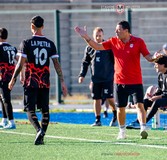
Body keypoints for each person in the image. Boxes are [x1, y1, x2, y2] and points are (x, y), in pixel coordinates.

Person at [74, 20, 157, 139]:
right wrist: (86, 37)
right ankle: (122, 131)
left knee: (140, 106)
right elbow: (97, 46)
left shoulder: (138, 41)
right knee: (120, 109)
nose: (115, 31)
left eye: (118, 30)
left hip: (136, 81)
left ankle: (143, 128)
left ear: (126, 31)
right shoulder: (113, 41)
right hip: (119, 82)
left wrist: (154, 58)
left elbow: (148, 56)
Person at [8, 15, 68, 145]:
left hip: (31, 80)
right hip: (44, 81)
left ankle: (39, 130)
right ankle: (42, 135)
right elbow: (56, 64)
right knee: (45, 110)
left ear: (32, 26)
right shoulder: (50, 43)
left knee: (30, 110)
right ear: (43, 26)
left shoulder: (26, 42)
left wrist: (13, 79)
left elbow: (20, 64)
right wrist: (62, 81)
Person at [127, 54, 167, 129]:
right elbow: (160, 89)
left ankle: (144, 122)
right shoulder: (160, 74)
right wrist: (154, 96)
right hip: (164, 97)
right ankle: (138, 122)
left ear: (163, 65)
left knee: (157, 102)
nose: (155, 66)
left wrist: (158, 97)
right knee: (145, 101)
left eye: (156, 64)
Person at [78, 27, 117, 127]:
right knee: (96, 99)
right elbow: (85, 62)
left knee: (109, 98)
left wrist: (115, 74)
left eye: (100, 36)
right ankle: (97, 119)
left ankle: (115, 114)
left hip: (107, 78)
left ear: (102, 35)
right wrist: (82, 75)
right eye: (96, 36)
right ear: (93, 35)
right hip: (96, 78)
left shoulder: (108, 46)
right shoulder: (89, 48)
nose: (98, 37)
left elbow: (115, 61)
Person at [0, 28, 17, 129]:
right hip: (11, 76)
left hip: (3, 76)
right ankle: (5, 120)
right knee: (3, 98)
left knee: (6, 99)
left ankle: (12, 122)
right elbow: (19, 60)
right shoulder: (12, 48)